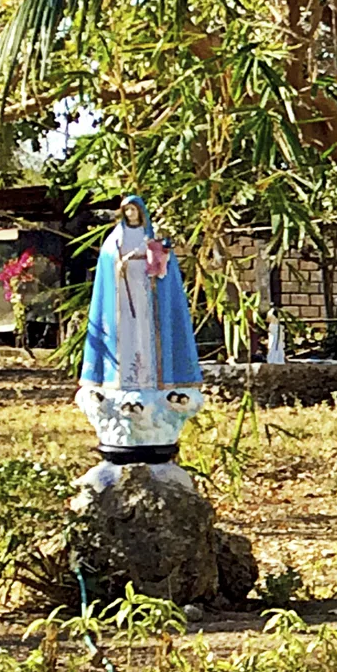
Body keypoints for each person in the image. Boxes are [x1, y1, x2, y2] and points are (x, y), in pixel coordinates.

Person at [78, 194, 205, 469]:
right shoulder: (113, 242)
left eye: (134, 210)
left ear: (141, 212)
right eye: (127, 211)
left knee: (149, 343)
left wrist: (154, 257)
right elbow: (107, 269)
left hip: (149, 305)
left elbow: (164, 269)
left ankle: (153, 387)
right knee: (126, 344)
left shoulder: (153, 238)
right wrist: (121, 264)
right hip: (122, 308)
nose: (131, 215)